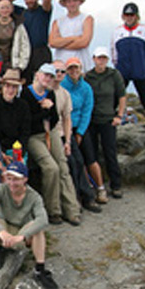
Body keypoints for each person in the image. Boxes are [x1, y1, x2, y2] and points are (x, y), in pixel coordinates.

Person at [0, 161, 59, 289]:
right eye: (9, 178)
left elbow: (43, 219)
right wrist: (1, 232)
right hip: (6, 226)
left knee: (38, 230)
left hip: (23, 230)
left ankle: (39, 268)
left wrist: (21, 236)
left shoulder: (34, 197)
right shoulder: (0, 189)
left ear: (25, 179)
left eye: (16, 179)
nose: (12, 183)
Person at [20, 63, 81, 226]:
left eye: (50, 76)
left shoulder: (50, 93)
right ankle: (53, 210)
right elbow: (28, 121)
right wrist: (45, 110)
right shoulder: (26, 94)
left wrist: (49, 109)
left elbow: (54, 119)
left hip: (50, 132)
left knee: (62, 166)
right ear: (38, 75)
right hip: (34, 136)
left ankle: (72, 210)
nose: (48, 79)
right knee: (50, 167)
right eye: (45, 75)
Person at [49, 60, 101, 214]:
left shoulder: (68, 92)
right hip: (51, 134)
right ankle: (75, 198)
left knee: (78, 160)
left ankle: (87, 196)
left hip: (66, 132)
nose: (59, 74)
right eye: (56, 71)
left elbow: (69, 117)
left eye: (62, 71)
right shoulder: (47, 91)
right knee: (69, 162)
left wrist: (71, 137)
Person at [61, 57, 108, 204]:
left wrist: (80, 132)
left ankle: (100, 188)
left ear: (81, 69)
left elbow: (87, 111)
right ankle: (80, 191)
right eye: (71, 68)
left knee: (91, 158)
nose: (74, 71)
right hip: (65, 128)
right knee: (74, 160)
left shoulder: (86, 88)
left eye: (76, 68)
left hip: (81, 126)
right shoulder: (62, 86)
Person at [84, 47, 127, 199]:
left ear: (107, 60)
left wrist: (119, 116)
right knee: (93, 154)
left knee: (110, 152)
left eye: (104, 58)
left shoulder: (114, 75)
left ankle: (116, 185)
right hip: (92, 120)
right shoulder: (88, 77)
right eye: (98, 58)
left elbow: (122, 96)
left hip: (109, 119)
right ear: (94, 59)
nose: (101, 61)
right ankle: (97, 184)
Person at [111, 2, 145, 132]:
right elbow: (113, 52)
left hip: (140, 70)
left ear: (137, 16)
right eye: (126, 14)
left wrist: (142, 64)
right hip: (122, 70)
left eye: (132, 15)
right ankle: (110, 127)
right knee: (114, 99)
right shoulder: (117, 31)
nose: (129, 17)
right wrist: (119, 66)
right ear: (122, 16)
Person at [0, 68, 31, 164]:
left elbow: (25, 132)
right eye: (8, 86)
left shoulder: (23, 106)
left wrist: (18, 152)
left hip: (17, 149)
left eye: (14, 87)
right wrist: (0, 152)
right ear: (2, 86)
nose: (11, 90)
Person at [9, 0, 53, 81]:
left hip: (41, 52)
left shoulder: (44, 11)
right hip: (25, 53)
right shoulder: (22, 12)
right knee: (26, 82)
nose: (29, 0)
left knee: (44, 81)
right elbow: (5, 1)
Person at [49, 0, 94, 71]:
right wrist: (74, 38)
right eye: (69, 1)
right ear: (65, 3)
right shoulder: (57, 22)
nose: (72, 4)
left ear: (79, 2)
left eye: (74, 1)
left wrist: (61, 43)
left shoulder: (87, 19)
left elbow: (84, 42)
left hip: (81, 66)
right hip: (61, 66)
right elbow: (52, 43)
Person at [0, 0, 31, 75]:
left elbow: (25, 47)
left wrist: (20, 67)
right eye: (2, 7)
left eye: (7, 7)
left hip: (12, 65)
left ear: (12, 8)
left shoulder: (18, 26)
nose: (5, 10)